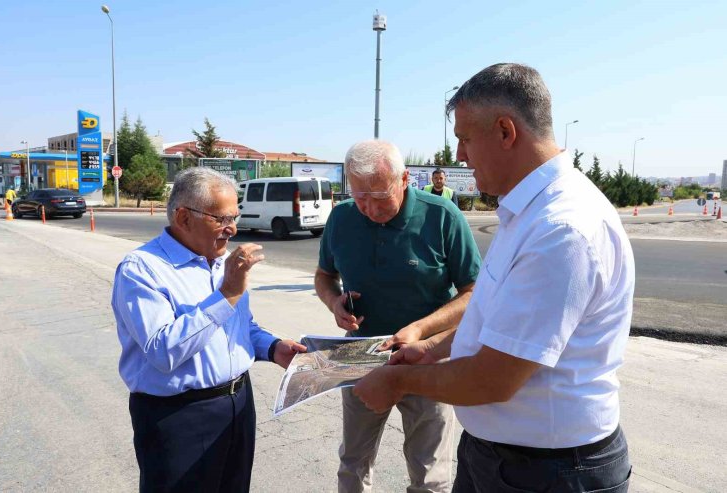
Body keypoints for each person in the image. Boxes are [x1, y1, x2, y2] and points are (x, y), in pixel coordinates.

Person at [354, 63, 634, 492]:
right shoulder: (528, 211)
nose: (459, 155)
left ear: (506, 132)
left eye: (465, 139)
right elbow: (494, 318)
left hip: (549, 471)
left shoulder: (562, 229)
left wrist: (397, 381)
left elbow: (493, 378)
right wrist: (430, 348)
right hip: (505, 457)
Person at [112, 167, 306, 492]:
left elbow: (241, 327)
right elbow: (162, 351)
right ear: (184, 217)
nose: (232, 229)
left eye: (235, 217)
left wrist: (273, 348)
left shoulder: (221, 262)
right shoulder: (141, 270)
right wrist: (227, 294)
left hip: (237, 405)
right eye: (222, 219)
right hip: (178, 416)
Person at [314, 140, 481, 493]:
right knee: (353, 463)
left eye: (379, 197)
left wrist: (421, 329)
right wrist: (334, 302)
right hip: (361, 356)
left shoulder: (443, 216)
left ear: (405, 179)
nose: (370, 209)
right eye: (360, 198)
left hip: (427, 359)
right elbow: (323, 275)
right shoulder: (343, 218)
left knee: (429, 473)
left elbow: (474, 293)